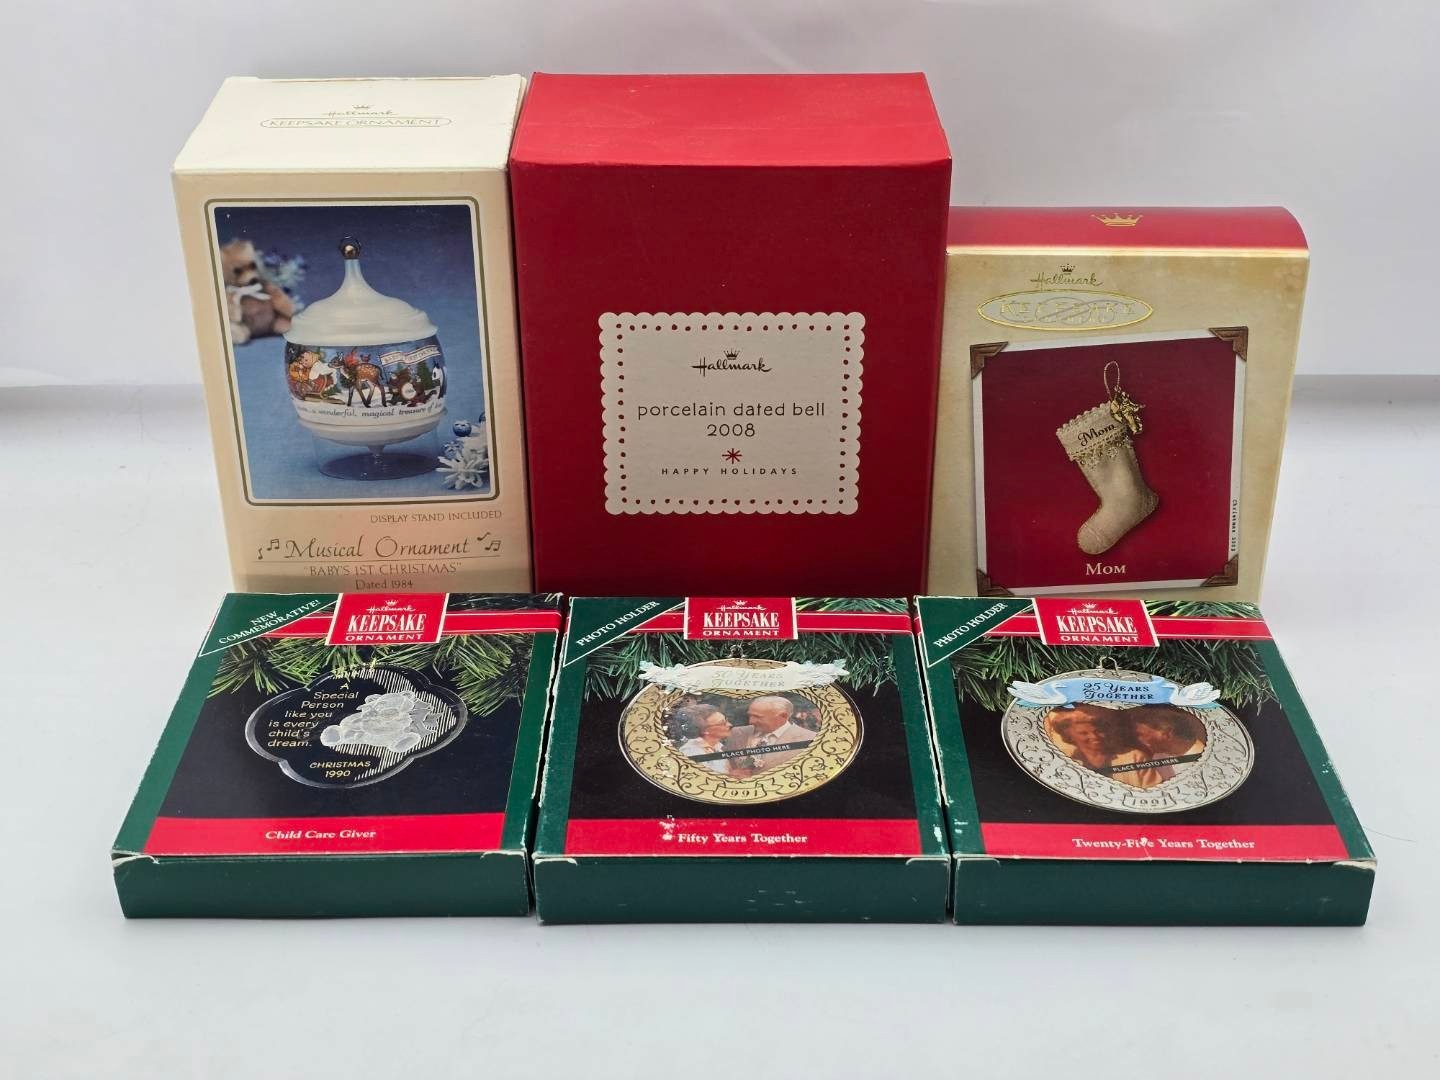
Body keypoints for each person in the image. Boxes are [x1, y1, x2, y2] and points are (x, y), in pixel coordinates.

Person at [1048, 705, 1167, 790]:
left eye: (1098, 731)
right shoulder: (1061, 757)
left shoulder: (1135, 757)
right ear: (1069, 736)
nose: (1094, 736)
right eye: (1083, 733)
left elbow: (1153, 791)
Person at [724, 696, 816, 775]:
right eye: (750, 715)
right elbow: (725, 763)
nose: (751, 721)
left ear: (783, 716)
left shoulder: (810, 739)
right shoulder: (737, 733)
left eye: (758, 717)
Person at [1128, 704, 1207, 779]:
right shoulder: (1158, 757)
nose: (1140, 740)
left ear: (1167, 733)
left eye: (1142, 735)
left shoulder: (1203, 757)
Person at [673, 703, 734, 774]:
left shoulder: (717, 747)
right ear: (705, 730)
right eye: (722, 723)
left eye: (726, 720)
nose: (730, 725)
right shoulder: (692, 752)